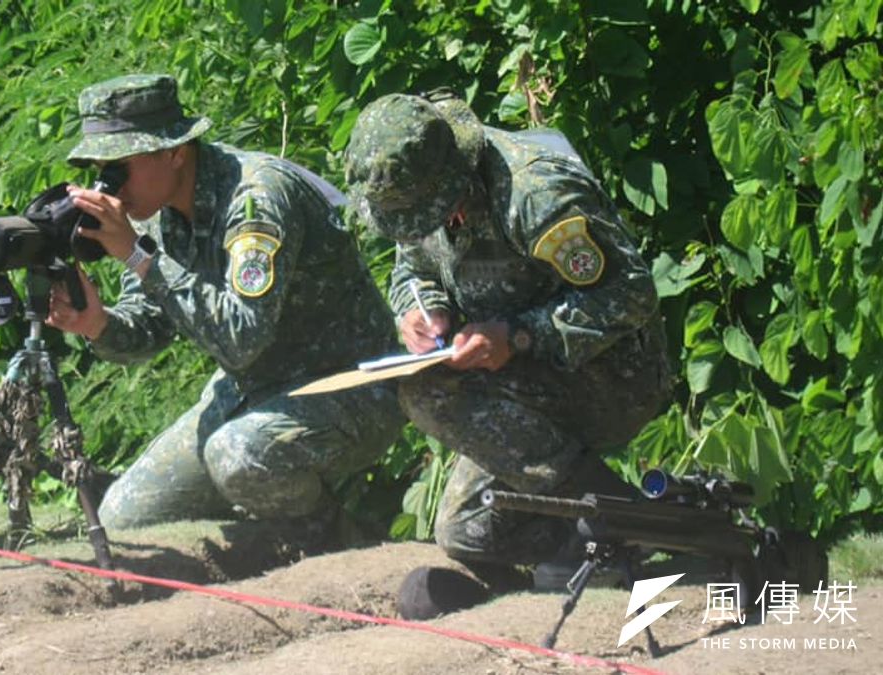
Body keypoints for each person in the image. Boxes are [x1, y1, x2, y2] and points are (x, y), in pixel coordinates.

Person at [343, 91, 672, 618]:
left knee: (426, 391)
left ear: (451, 177)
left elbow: (630, 294)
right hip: (519, 385)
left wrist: (519, 335)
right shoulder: (423, 194)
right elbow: (411, 268)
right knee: (466, 533)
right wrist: (422, 311)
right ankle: (594, 550)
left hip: (608, 378)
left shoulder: (535, 192)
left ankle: (625, 520)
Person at [45, 74, 404, 536]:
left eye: (120, 165)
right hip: (254, 389)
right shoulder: (151, 213)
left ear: (174, 151)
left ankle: (334, 542)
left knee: (237, 455)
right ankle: (258, 529)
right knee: (123, 518)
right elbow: (149, 329)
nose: (109, 184)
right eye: (100, 167)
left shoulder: (257, 198)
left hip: (350, 385)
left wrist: (138, 257)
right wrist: (98, 325)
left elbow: (240, 340)